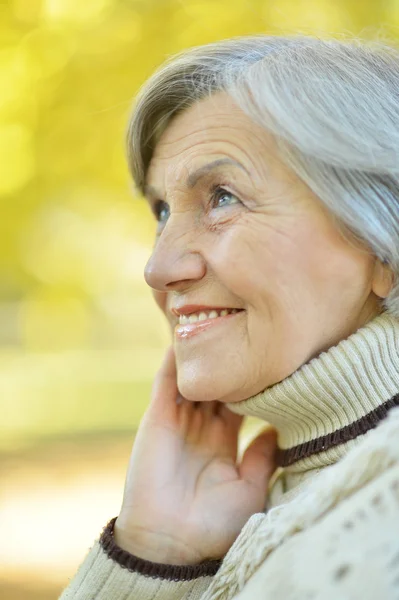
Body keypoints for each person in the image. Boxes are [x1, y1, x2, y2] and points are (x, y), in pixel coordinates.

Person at [60, 34, 399, 599]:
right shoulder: (273, 503)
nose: (158, 266)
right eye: (162, 211)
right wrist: (157, 554)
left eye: (222, 197)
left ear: (382, 248)